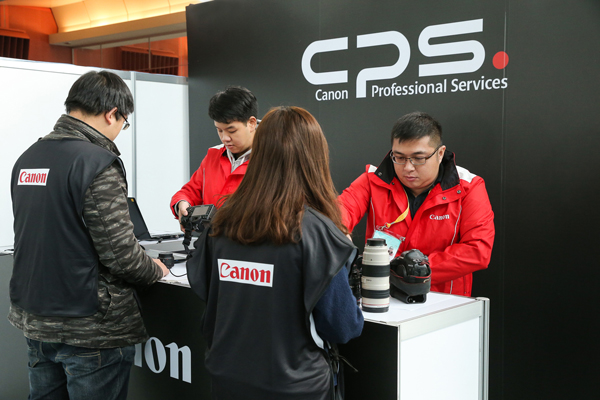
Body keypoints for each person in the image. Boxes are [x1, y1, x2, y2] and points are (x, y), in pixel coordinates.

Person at [8, 70, 170, 400]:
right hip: (90, 328)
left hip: (37, 319)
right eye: (124, 123)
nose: (121, 132)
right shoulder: (96, 162)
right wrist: (156, 268)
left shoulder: (29, 158)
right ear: (113, 113)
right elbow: (121, 255)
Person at [186, 106, 364, 400]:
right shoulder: (318, 233)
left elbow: (205, 289)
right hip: (296, 385)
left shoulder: (221, 221)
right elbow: (342, 327)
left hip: (227, 378)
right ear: (314, 159)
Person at [338, 111, 494, 297]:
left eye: (419, 158)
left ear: (440, 153)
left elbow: (477, 250)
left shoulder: (469, 187)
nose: (408, 167)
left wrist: (413, 270)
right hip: (380, 297)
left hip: (444, 304)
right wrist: (337, 229)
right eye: (399, 157)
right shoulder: (373, 181)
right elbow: (339, 210)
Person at [170, 86, 258, 228]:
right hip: (213, 244)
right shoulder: (213, 155)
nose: (225, 138)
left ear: (251, 123)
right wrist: (182, 203)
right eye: (219, 130)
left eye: (232, 130)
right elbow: (190, 191)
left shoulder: (272, 157)